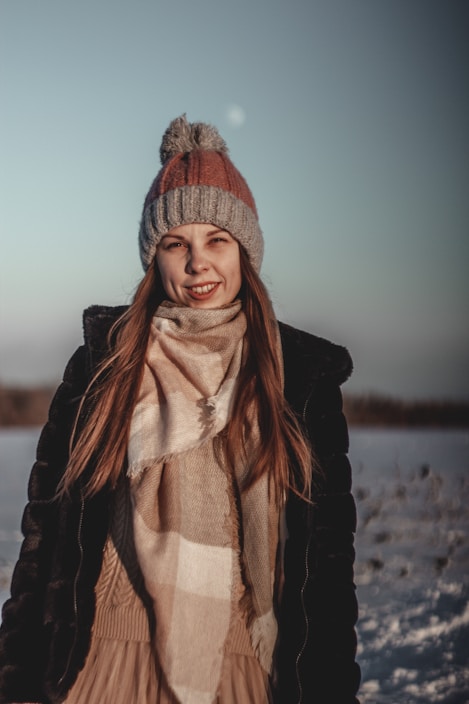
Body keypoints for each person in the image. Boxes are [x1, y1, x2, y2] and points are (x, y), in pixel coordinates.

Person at [0, 115, 361, 704]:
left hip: (241, 674)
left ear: (244, 250)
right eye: (176, 244)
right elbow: (43, 547)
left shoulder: (298, 381)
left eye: (216, 240)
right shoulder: (103, 365)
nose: (198, 263)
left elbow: (325, 578)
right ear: (154, 258)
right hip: (101, 669)